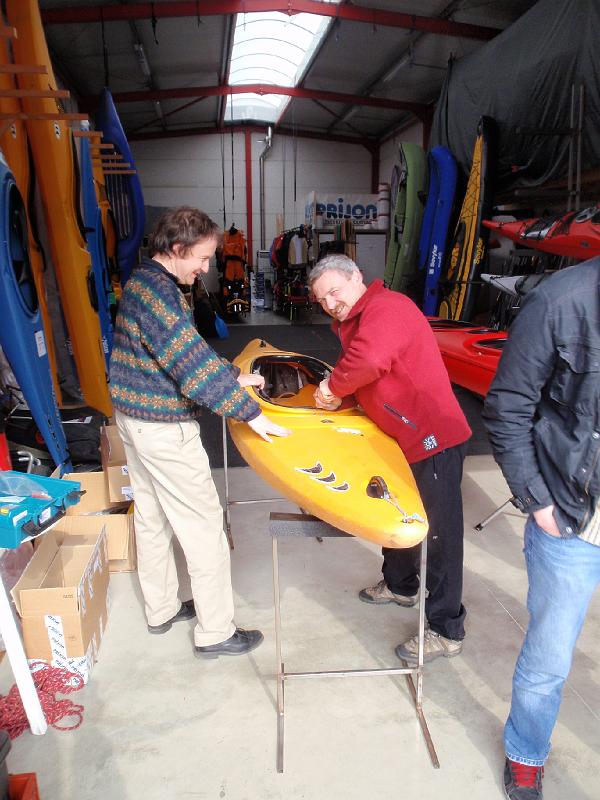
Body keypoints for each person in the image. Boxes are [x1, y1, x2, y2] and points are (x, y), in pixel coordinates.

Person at [109, 206, 290, 659]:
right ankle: (215, 632)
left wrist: (232, 375)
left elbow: (183, 352)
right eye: (203, 258)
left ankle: (162, 609)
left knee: (152, 517)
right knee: (205, 526)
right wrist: (250, 412)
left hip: (133, 418)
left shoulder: (143, 281)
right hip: (162, 429)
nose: (207, 268)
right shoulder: (161, 295)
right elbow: (189, 368)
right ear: (177, 248)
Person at [309, 254, 471, 662]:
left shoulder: (386, 308)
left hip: (433, 438)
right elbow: (370, 370)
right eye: (322, 300)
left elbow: (369, 360)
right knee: (396, 512)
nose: (330, 304)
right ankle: (400, 585)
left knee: (440, 536)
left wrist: (332, 388)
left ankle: (446, 629)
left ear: (357, 277)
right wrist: (344, 394)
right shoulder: (358, 318)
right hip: (402, 437)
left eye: (334, 292)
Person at [483, 257, 600, 800]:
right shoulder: (559, 301)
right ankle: (526, 753)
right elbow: (507, 407)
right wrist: (539, 503)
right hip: (571, 515)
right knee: (550, 657)